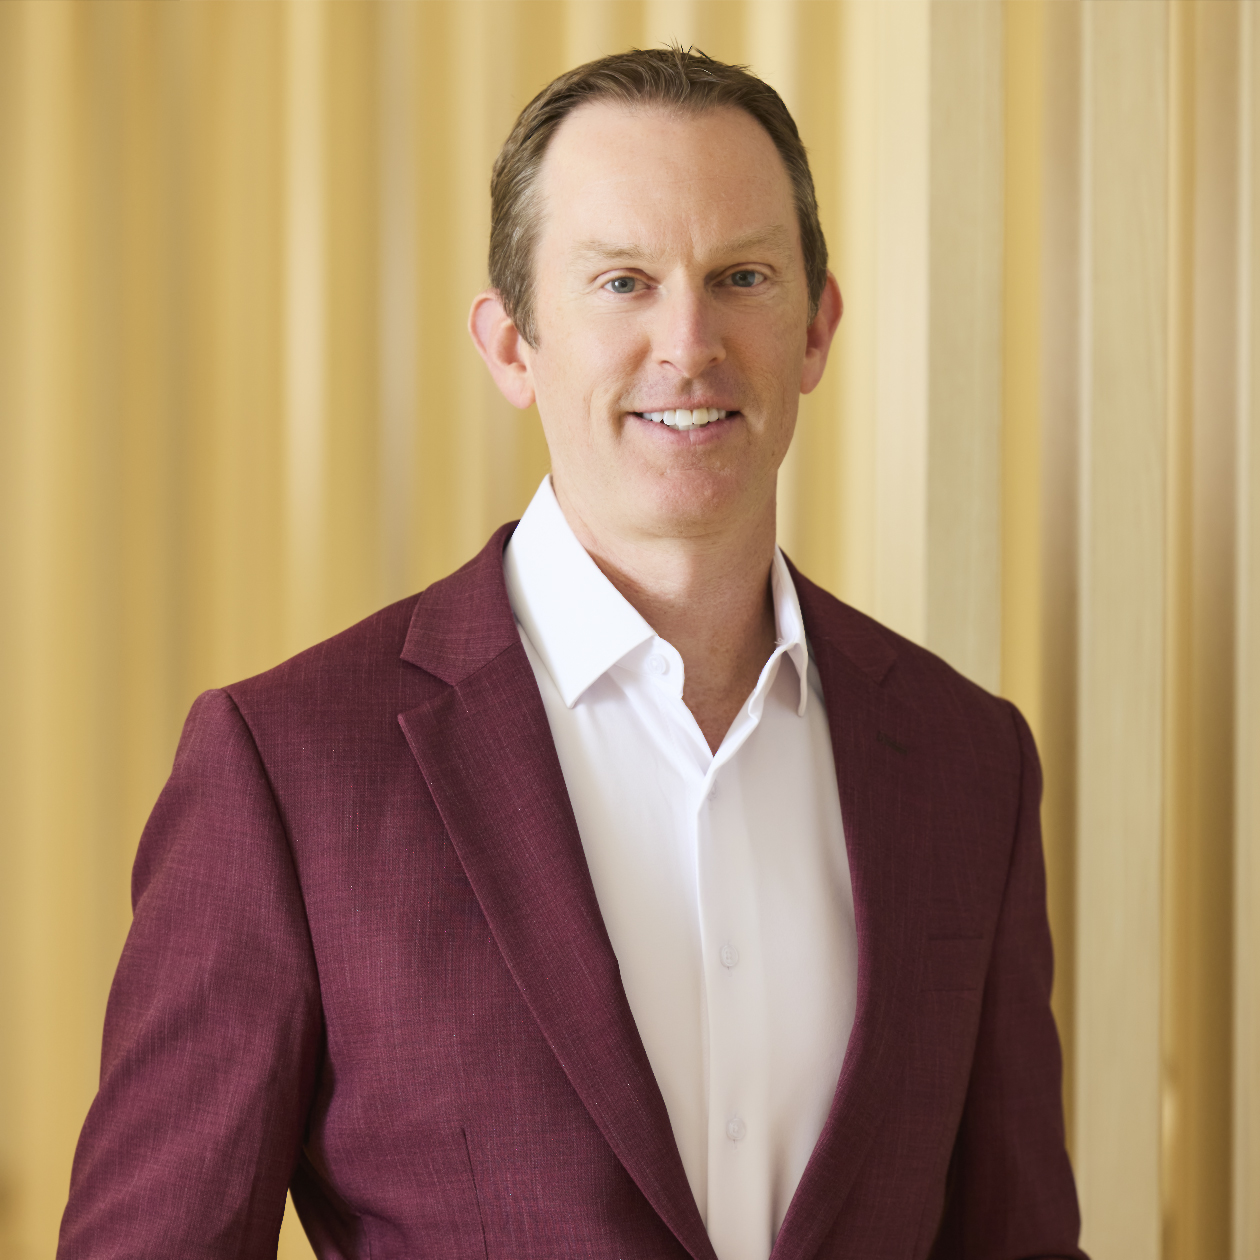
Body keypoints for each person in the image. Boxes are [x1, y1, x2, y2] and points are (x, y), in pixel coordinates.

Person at [59, 47, 1085, 1260]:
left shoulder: (970, 763)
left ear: (816, 328)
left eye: (741, 275)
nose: (688, 341)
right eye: (622, 282)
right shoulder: (287, 770)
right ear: (509, 345)